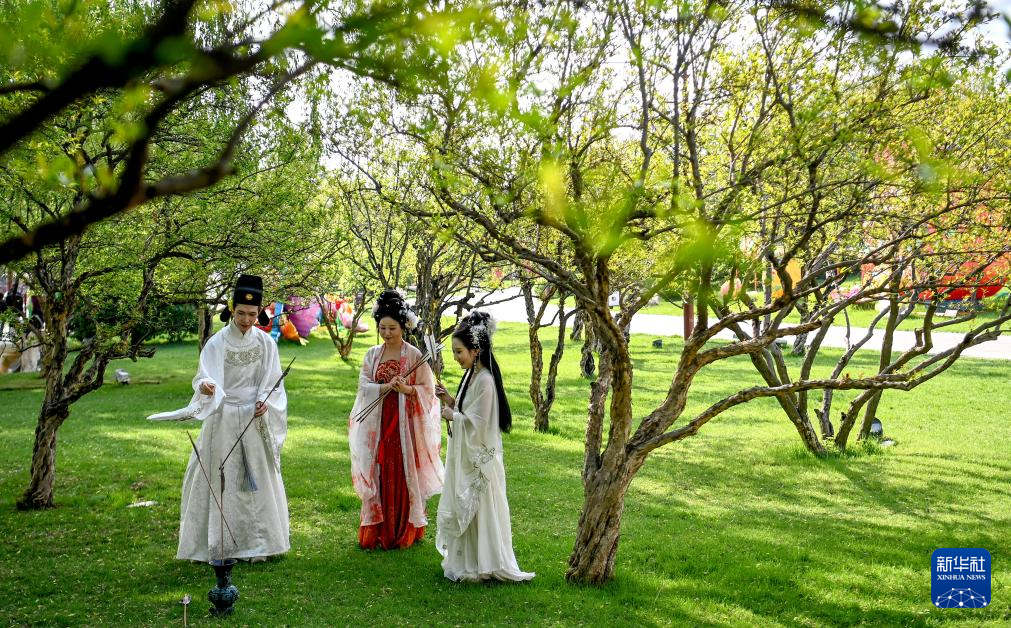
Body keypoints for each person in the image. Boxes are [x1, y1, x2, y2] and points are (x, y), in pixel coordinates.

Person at [148, 274, 290, 563]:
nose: (246, 320)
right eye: (241, 313)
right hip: (223, 418)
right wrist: (206, 386)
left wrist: (264, 401)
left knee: (255, 479)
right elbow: (205, 376)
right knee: (221, 478)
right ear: (231, 309)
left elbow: (273, 382)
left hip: (253, 419)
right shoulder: (217, 343)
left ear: (259, 312)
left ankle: (258, 545)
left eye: (252, 314)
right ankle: (221, 545)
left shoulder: (266, 344)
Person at [435, 311, 534, 582]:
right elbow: (470, 410)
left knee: (480, 508)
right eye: (454, 352)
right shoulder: (472, 375)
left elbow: (479, 425)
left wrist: (453, 416)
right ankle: (468, 560)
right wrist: (450, 400)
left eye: (459, 352)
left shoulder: (485, 380)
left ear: (475, 350)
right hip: (469, 455)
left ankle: (484, 564)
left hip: (480, 460)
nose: (456, 357)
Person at [348, 289, 443, 550]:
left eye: (392, 328)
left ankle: (402, 528)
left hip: (404, 427)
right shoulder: (372, 354)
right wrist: (384, 387)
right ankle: (379, 528)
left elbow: (428, 391)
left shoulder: (413, 355)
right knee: (378, 469)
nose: (387, 333)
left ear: (403, 327)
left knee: (402, 470)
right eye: (383, 328)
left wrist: (407, 389)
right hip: (377, 424)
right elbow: (363, 386)